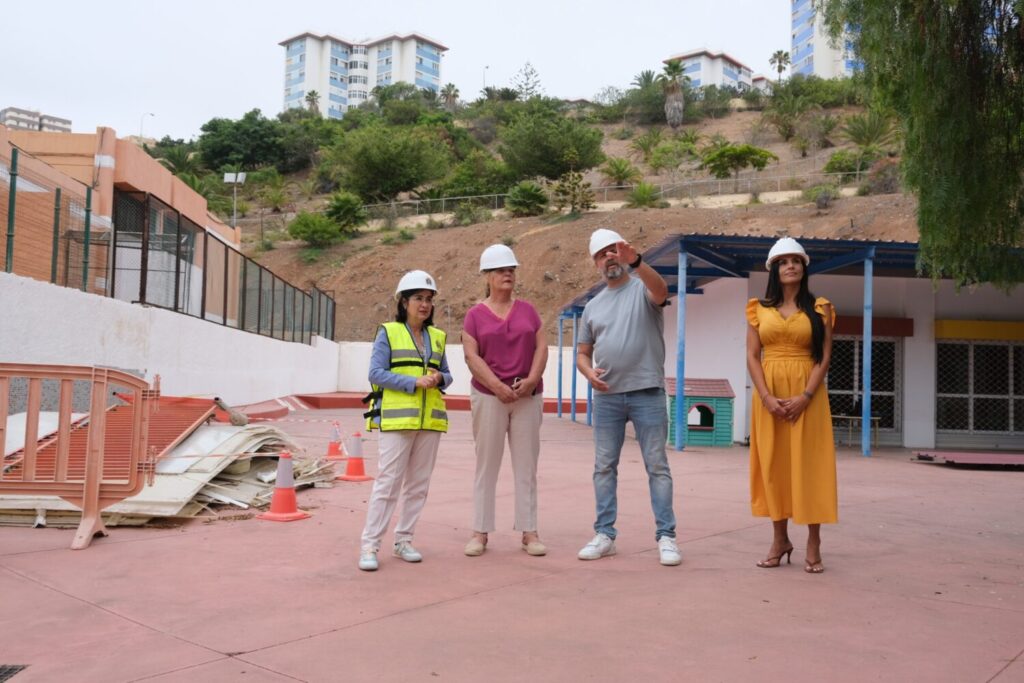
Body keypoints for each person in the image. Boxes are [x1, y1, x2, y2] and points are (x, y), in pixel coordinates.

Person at [575, 228, 681, 567]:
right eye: (601, 253)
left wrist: (637, 262)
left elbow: (661, 290)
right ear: (595, 263)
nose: (609, 257)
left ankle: (666, 537)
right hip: (607, 398)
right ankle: (605, 535)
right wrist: (588, 373)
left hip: (647, 391)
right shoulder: (592, 306)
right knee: (603, 467)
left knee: (657, 466)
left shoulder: (643, 288)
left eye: (613, 250)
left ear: (625, 253)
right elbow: (582, 353)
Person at [746, 237, 837, 574]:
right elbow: (753, 356)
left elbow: (824, 356)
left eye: (796, 261)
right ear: (774, 269)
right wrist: (767, 397)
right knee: (774, 465)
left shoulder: (821, 308)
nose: (790, 266)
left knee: (810, 464)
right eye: (783, 261)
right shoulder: (759, 308)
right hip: (769, 395)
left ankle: (814, 542)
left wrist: (806, 396)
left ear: (804, 268)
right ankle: (779, 539)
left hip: (807, 394)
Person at [357, 270, 453, 572]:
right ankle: (369, 546)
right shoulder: (388, 331)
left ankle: (404, 540)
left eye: (428, 299)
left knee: (418, 486)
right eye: (418, 299)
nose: (424, 304)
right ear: (404, 302)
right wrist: (413, 383)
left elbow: (448, 375)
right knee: (387, 484)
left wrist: (439, 378)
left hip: (429, 422)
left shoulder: (436, 337)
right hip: (398, 421)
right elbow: (376, 373)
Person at [462, 245, 548, 557]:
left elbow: (541, 347)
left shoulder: (528, 311)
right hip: (489, 397)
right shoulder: (474, 315)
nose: (508, 274)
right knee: (487, 465)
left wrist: (531, 380)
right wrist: (497, 386)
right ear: (487, 276)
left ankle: (529, 532)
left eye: (511, 269)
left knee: (527, 465)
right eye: (500, 270)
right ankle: (480, 532)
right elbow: (471, 357)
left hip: (528, 396)